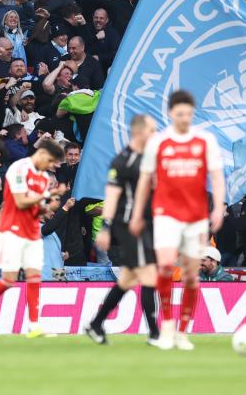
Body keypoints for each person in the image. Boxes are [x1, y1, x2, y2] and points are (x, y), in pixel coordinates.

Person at [129, 90, 225, 351]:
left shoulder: (205, 140)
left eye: (188, 114)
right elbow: (145, 182)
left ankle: (183, 331)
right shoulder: (158, 143)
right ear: (171, 114)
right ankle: (168, 327)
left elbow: (216, 176)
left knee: (192, 277)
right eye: (180, 114)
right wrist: (137, 213)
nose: (184, 118)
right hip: (166, 216)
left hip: (195, 217)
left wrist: (217, 208)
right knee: (165, 269)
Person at [0, 138, 64, 338]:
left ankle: (33, 325)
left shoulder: (43, 179)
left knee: (34, 277)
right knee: (9, 279)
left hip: (31, 232)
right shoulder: (19, 169)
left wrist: (52, 207)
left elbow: (38, 211)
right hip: (12, 230)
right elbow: (21, 202)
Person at [84, 114, 161, 345]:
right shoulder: (122, 160)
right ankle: (156, 334)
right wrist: (106, 228)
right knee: (148, 275)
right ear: (139, 132)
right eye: (152, 130)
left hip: (146, 225)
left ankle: (96, 324)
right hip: (126, 225)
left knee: (128, 278)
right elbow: (112, 195)